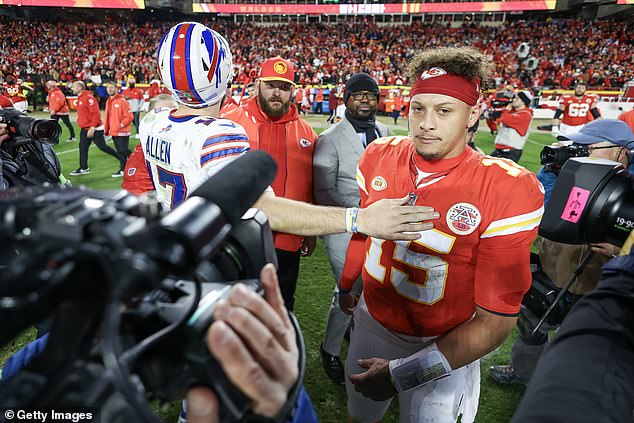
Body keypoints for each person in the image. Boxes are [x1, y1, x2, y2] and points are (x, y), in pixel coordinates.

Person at [146, 22, 435, 423]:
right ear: (225, 72)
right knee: (241, 385)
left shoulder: (153, 123)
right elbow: (266, 208)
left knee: (200, 380)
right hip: (221, 270)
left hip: (180, 264)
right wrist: (360, 218)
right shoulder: (221, 132)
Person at [338, 46, 544, 423]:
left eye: (444, 110)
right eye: (419, 108)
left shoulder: (506, 188)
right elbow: (365, 231)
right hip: (374, 320)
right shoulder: (378, 155)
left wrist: (403, 375)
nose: (426, 123)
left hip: (446, 343)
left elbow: (496, 320)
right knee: (359, 415)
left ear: (473, 114)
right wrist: (348, 282)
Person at [489, 118, 634, 386]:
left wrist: (621, 250)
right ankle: (523, 372)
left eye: (588, 147)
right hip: (553, 270)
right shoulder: (569, 174)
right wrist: (552, 170)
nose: (579, 151)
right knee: (531, 328)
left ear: (620, 152)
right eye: (577, 146)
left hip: (600, 284)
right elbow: (542, 207)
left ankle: (571, 387)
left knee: (585, 344)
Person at [221, 57, 318, 311]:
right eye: (271, 85)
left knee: (282, 305)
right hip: (238, 236)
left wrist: (309, 230)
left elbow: (309, 186)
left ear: (293, 92)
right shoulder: (230, 120)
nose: (277, 93)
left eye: (284, 87)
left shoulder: (307, 133)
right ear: (257, 85)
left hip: (287, 238)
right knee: (235, 307)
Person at [313, 72, 389, 385]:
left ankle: (347, 332)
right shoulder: (330, 137)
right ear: (346, 100)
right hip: (344, 226)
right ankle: (329, 349)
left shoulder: (383, 130)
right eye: (358, 95)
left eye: (370, 95)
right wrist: (365, 208)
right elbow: (324, 190)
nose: (365, 101)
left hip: (377, 225)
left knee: (370, 286)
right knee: (348, 289)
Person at [511, 245, 634, 423]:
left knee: (590, 357)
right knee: (531, 330)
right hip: (549, 272)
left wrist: (616, 250)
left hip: (595, 287)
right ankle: (522, 373)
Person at [122, 94, 177, 195]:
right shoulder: (142, 153)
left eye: (174, 113)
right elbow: (136, 190)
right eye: (160, 114)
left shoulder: (191, 144)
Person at [69, 80, 122, 176]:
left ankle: (122, 158)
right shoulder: (81, 98)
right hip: (85, 128)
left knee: (103, 147)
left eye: (74, 86)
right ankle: (83, 168)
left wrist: (92, 127)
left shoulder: (88, 98)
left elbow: (96, 114)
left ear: (80, 87)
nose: (72, 88)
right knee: (83, 147)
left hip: (94, 129)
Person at [488, 90, 534, 163]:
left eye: (517, 98)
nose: (513, 100)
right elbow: (499, 121)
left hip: (511, 151)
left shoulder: (526, 115)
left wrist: (506, 110)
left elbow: (504, 119)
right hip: (500, 149)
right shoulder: (512, 112)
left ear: (523, 102)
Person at [104, 81, 133, 177]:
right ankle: (125, 167)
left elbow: (129, 116)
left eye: (112, 87)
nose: (110, 89)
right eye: (108, 88)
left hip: (122, 131)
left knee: (122, 150)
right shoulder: (108, 101)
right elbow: (107, 117)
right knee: (121, 151)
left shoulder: (122, 101)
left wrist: (120, 125)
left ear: (116, 89)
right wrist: (107, 130)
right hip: (113, 131)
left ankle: (126, 167)